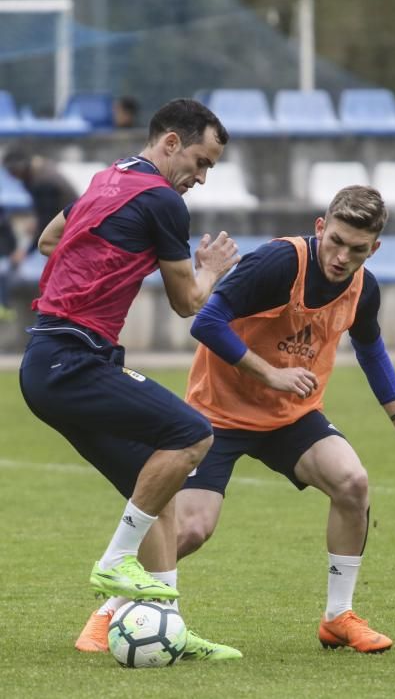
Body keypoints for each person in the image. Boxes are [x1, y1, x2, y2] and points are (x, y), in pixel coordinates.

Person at [76, 184, 395, 656]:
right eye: (335, 241)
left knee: (352, 482)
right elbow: (206, 322)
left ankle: (338, 617)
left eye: (357, 250)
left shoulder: (363, 287)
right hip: (217, 415)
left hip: (290, 417)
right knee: (191, 528)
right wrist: (271, 374)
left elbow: (371, 348)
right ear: (320, 228)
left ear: (373, 249)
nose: (341, 257)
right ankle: (111, 607)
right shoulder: (279, 262)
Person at [19, 98, 242, 661]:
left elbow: (50, 240)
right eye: (201, 160)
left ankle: (167, 620)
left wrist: (116, 259)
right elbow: (188, 303)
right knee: (193, 434)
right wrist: (212, 268)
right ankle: (118, 558)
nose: (201, 176)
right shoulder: (165, 201)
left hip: (50, 360)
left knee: (156, 481)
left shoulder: (108, 178)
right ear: (170, 143)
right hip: (72, 360)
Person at [2, 146, 78, 259]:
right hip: (67, 225)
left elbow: (46, 223)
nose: (11, 176)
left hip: (69, 232)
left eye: (12, 171)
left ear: (20, 168)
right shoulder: (41, 169)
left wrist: (24, 253)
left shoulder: (42, 182)